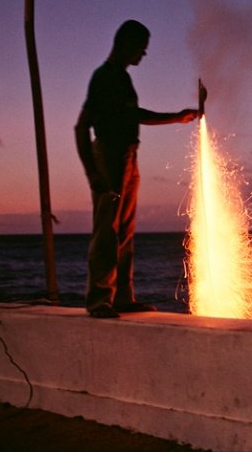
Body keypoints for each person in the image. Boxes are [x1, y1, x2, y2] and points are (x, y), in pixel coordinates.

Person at [75, 20, 201, 319]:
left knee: (125, 231)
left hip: (129, 159)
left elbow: (134, 115)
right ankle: (99, 300)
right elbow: (82, 126)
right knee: (107, 229)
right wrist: (93, 173)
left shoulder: (122, 79)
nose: (143, 56)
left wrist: (176, 118)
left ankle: (121, 298)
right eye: (141, 50)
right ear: (125, 44)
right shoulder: (104, 77)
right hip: (110, 158)